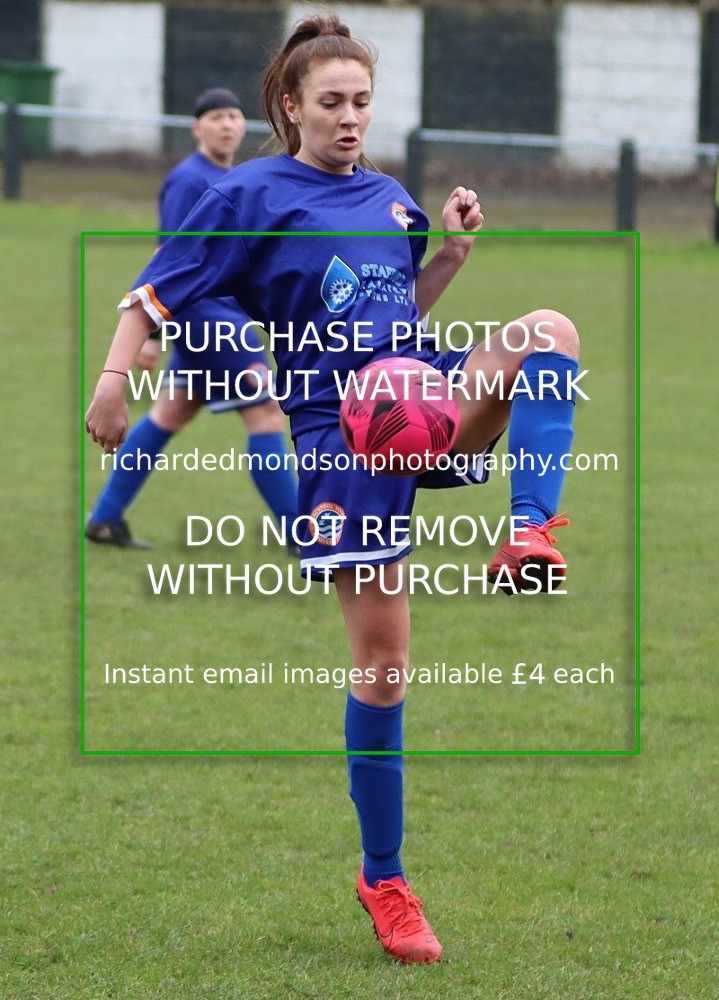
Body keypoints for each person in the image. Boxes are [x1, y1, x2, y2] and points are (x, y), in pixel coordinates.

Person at [85, 14, 580, 963]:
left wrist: (449, 257)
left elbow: (394, 315)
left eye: (361, 101)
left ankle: (529, 531)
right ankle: (384, 878)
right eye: (332, 102)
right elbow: (155, 294)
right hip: (336, 435)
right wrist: (115, 381)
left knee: (548, 331)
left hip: (414, 394)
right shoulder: (247, 194)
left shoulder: (392, 196)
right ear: (290, 106)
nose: (350, 118)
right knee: (384, 667)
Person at [85, 87, 298, 549]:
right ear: (196, 128)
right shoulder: (189, 179)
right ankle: (303, 533)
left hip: (213, 316)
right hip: (209, 317)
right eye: (216, 117)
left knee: (169, 414)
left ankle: (104, 518)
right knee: (265, 414)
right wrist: (152, 334)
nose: (227, 125)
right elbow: (169, 260)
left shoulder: (230, 175)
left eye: (234, 116)